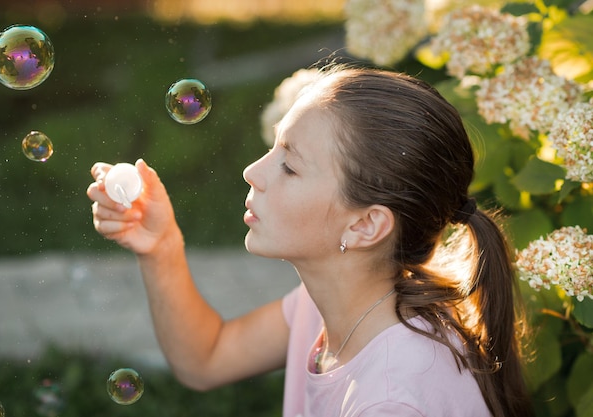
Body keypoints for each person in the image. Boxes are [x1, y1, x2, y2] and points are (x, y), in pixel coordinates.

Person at [87, 65, 533, 417]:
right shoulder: (335, 306)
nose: (253, 172)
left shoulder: (393, 401)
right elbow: (206, 359)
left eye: (290, 166)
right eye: (275, 149)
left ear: (364, 226)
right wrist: (161, 244)